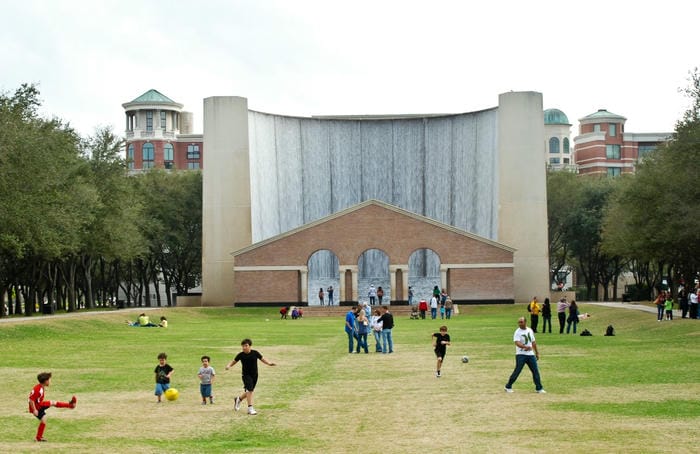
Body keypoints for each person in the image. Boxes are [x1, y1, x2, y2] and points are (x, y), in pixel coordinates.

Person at [225, 338, 276, 415]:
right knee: (250, 390)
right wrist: (229, 366)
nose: (244, 347)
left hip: (255, 375)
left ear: (250, 346)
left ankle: (239, 399)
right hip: (246, 375)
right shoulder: (241, 355)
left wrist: (269, 363)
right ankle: (250, 408)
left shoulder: (255, 353)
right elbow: (234, 361)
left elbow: (262, 359)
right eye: (243, 346)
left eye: (246, 346)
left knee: (250, 391)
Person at [27, 372, 77, 442]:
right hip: (38, 407)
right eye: (49, 380)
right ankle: (71, 405)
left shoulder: (40, 387)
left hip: (38, 405)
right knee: (53, 403)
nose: (50, 381)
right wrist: (34, 410)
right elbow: (30, 399)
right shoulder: (38, 389)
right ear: (45, 381)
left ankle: (38, 437)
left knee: (44, 419)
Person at [504, 317, 545, 393]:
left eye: (521, 322)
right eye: (519, 322)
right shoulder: (517, 332)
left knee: (535, 371)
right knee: (517, 371)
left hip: (530, 354)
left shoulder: (530, 330)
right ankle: (508, 386)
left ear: (525, 322)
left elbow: (533, 342)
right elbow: (517, 342)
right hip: (521, 354)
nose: (520, 324)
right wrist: (524, 347)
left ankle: (539, 388)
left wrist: (537, 352)